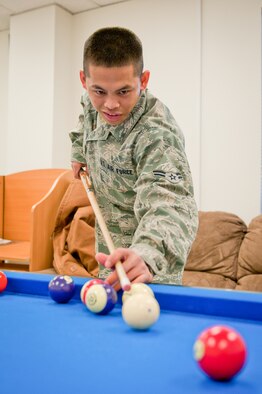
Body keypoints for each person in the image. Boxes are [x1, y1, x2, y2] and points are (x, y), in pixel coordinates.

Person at [70, 27, 198, 291]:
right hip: (109, 254)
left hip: (147, 269)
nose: (110, 104)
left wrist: (147, 254)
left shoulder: (157, 135)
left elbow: (170, 204)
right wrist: (78, 152)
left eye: (124, 92)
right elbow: (86, 115)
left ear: (144, 79)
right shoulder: (92, 98)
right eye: (99, 91)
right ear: (84, 80)